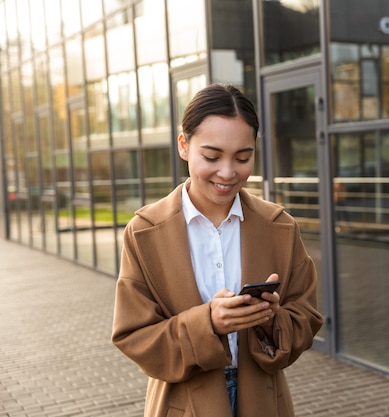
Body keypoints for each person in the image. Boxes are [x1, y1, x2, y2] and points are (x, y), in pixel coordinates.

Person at [111, 84, 324, 417]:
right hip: (182, 404)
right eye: (211, 156)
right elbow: (134, 336)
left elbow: (307, 318)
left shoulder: (280, 227)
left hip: (265, 402)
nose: (228, 172)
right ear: (184, 145)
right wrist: (207, 323)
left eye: (243, 157)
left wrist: (270, 320)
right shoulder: (144, 233)